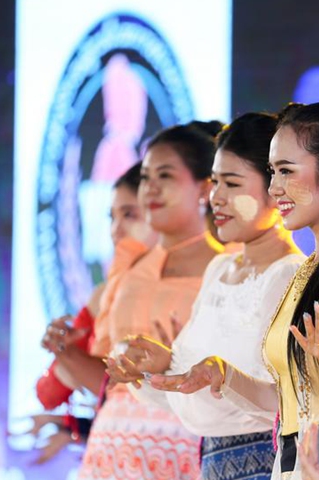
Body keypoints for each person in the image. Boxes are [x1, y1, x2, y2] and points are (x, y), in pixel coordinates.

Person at [148, 103, 319, 479]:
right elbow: (292, 401)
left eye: (286, 171)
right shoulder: (305, 274)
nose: (275, 188)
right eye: (273, 172)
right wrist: (224, 376)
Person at [105, 111, 305, 479]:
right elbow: (190, 399)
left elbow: (290, 401)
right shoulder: (219, 271)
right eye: (214, 183)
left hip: (265, 465)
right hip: (210, 464)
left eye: (232, 184)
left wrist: (217, 376)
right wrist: (153, 370)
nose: (216, 198)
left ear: (277, 189)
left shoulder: (292, 275)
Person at [77, 121, 225, 480]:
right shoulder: (130, 267)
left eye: (166, 176)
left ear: (204, 188)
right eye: (145, 177)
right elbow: (109, 376)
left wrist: (178, 362)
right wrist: (67, 353)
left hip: (188, 447)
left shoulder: (229, 266)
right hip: (112, 451)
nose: (151, 189)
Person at [28, 162, 153, 464]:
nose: (115, 230)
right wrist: (64, 350)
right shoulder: (103, 295)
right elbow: (49, 391)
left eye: (129, 215)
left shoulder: (174, 287)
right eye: (112, 217)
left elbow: (134, 394)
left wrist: (71, 357)